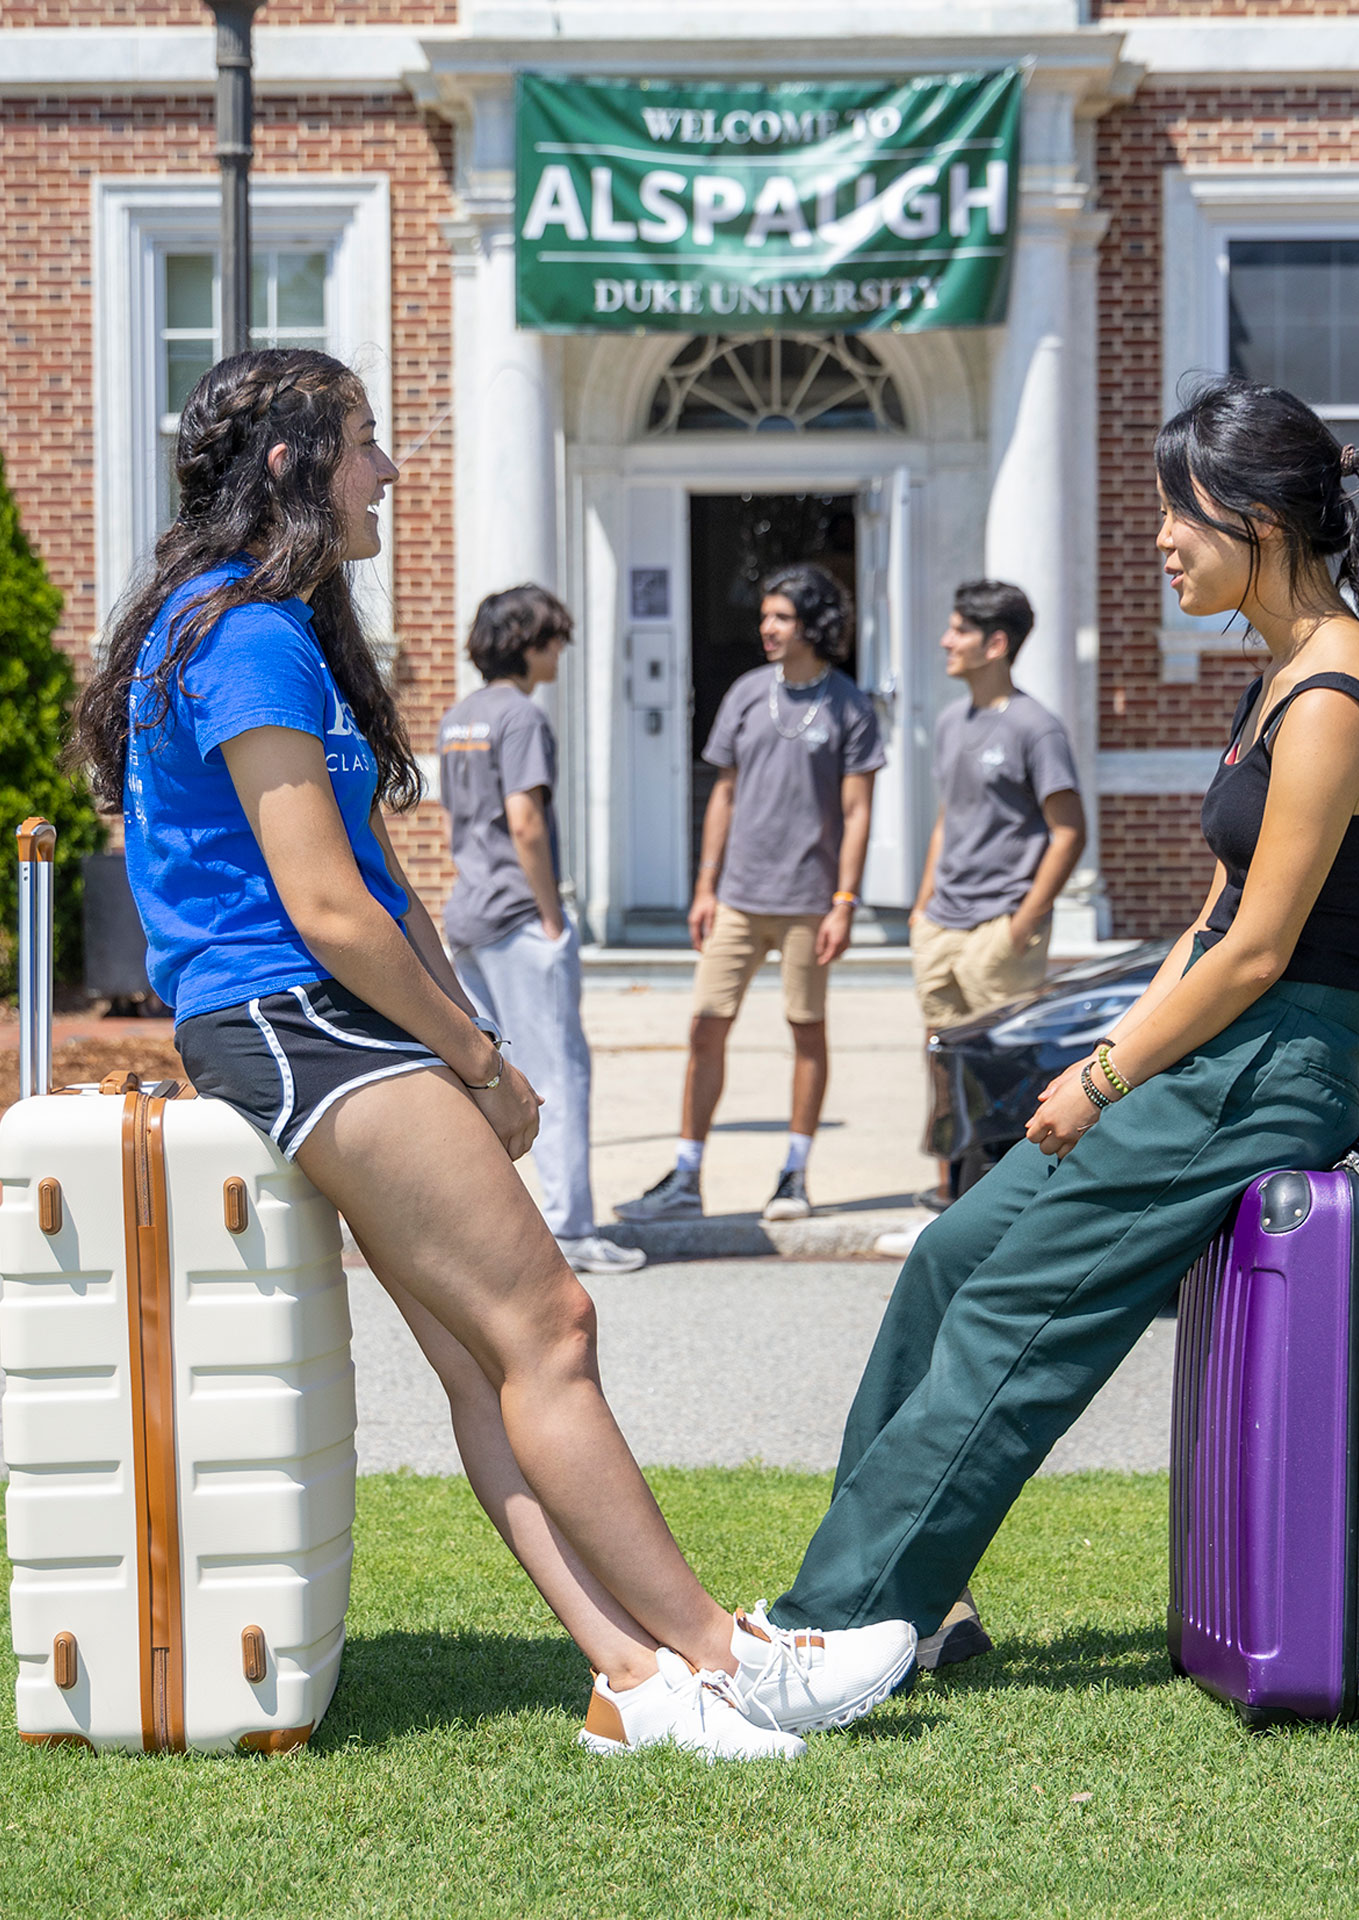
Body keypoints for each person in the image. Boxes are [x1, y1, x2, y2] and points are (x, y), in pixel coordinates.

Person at [72, 348, 916, 1763]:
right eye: (363, 443)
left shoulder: (265, 626)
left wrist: (477, 1048)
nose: (387, 471)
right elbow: (326, 906)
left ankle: (634, 1686)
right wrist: (467, 1054)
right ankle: (726, 1659)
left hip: (320, 1015)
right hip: (296, 1016)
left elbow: (383, 884)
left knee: (486, 1364)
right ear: (289, 464)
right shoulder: (242, 633)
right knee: (551, 1331)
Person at [763, 376, 1359, 1668]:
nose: (1159, 540)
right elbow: (1207, 924)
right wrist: (1108, 1063)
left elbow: (1257, 951)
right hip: (1206, 1057)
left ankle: (834, 1623)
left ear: (1257, 519)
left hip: (1270, 1073)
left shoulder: (1335, 701)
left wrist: (1108, 1077)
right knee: (950, 1258)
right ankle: (924, 1601)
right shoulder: (1278, 683)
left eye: (1179, 514)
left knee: (1010, 1316)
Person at [615, 562, 884, 1226]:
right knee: (706, 1028)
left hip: (808, 903)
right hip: (737, 897)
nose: (767, 628)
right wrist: (704, 886)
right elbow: (725, 796)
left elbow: (858, 813)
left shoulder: (850, 704)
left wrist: (846, 900)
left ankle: (794, 1175)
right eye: (764, 616)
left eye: (781, 618)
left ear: (813, 624)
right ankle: (685, 1176)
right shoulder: (744, 694)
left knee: (806, 1032)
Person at [879, 579, 1086, 1269]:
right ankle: (948, 1205)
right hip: (942, 926)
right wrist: (922, 901)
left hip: (999, 933)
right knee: (943, 1065)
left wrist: (1024, 922)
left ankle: (1012, 1221)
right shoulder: (951, 722)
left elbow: (1067, 831)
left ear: (996, 644)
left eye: (959, 630)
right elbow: (950, 816)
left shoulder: (1036, 727)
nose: (946, 640)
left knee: (1003, 1078)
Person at [438, 586, 642, 1277]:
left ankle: (494, 1229)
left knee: (486, 1076)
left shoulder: (460, 716)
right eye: (555, 639)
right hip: (517, 917)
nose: (562, 651)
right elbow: (524, 820)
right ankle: (570, 1228)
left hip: (467, 912)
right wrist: (553, 916)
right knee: (559, 1072)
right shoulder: (521, 716)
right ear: (530, 643)